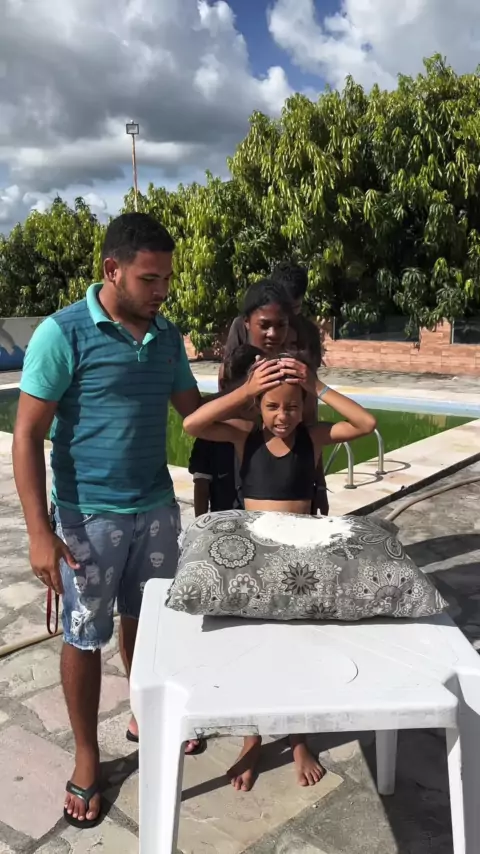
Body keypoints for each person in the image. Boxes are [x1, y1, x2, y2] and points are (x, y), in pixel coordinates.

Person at [12, 213, 204, 829]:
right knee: (83, 635)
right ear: (112, 270)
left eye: (166, 279)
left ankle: (144, 712)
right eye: (150, 279)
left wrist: (264, 405)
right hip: (87, 517)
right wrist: (39, 532)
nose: (161, 291)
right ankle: (87, 754)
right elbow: (27, 434)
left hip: (156, 508)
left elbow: (193, 414)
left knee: (147, 621)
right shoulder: (62, 333)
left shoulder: (166, 336)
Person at [183, 353, 376, 792]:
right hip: (256, 562)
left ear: (303, 405)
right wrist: (246, 391)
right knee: (252, 652)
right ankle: (252, 739)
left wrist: (317, 386)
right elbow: (192, 424)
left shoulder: (313, 437)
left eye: (292, 406)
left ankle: (298, 738)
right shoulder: (244, 436)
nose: (283, 416)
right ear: (258, 406)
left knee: (299, 651)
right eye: (272, 406)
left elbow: (366, 424)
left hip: (301, 564)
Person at [224, 267, 329, 515]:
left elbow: (310, 418)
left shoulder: (305, 337)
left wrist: (319, 484)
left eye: (285, 320)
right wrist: (249, 390)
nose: (275, 333)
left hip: (292, 467)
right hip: (243, 455)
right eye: (265, 324)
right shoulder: (240, 331)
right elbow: (223, 403)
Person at [189, 345, 263, 516]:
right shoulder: (212, 431)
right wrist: (200, 523)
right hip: (224, 518)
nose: (252, 401)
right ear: (226, 387)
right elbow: (201, 485)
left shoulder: (273, 427)